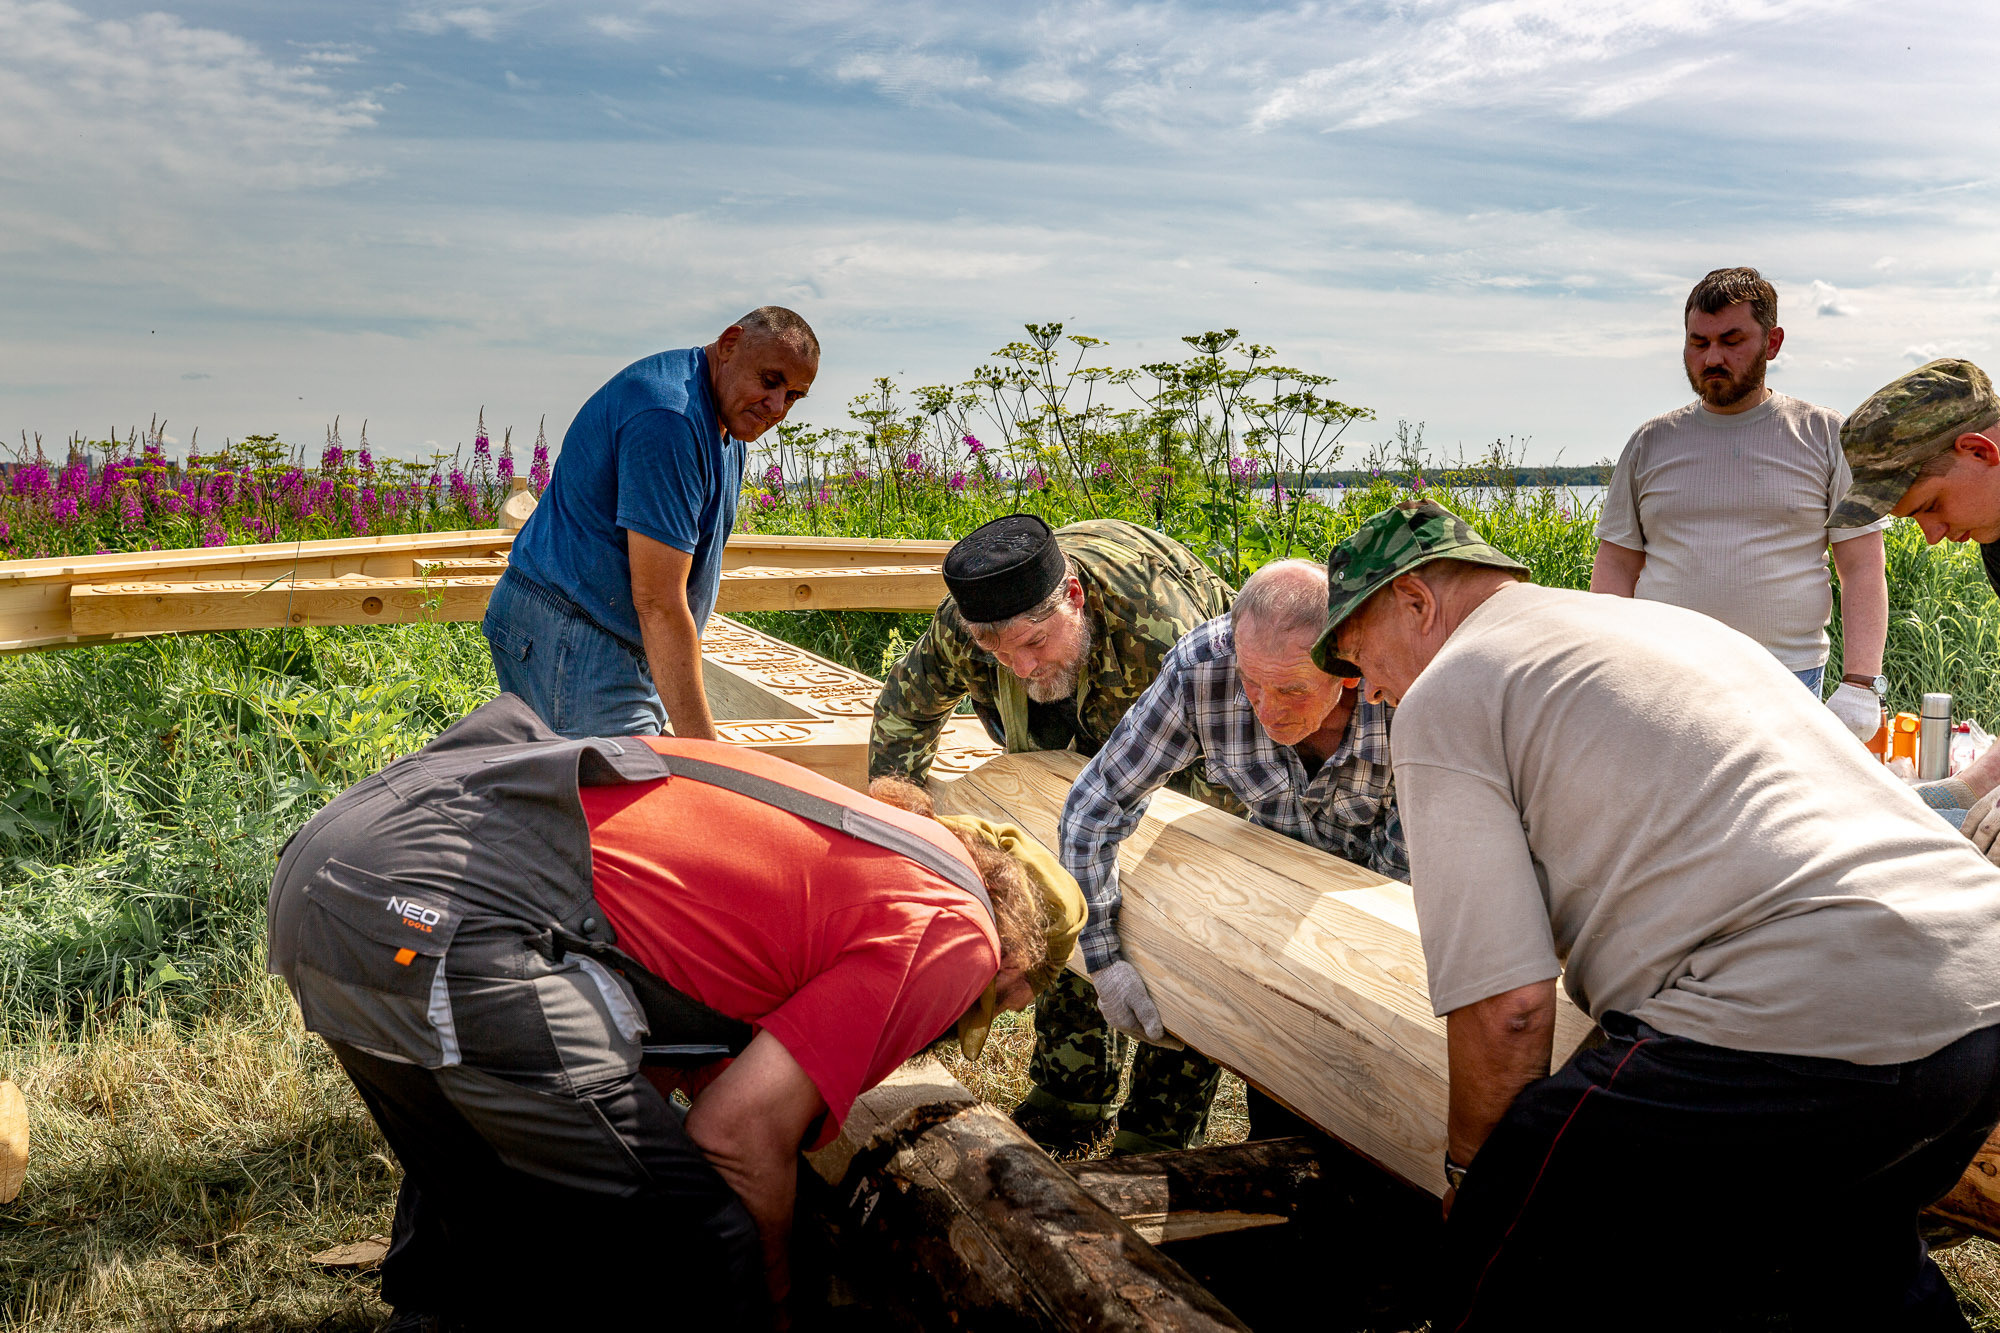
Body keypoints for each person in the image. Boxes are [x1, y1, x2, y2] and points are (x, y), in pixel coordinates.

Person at [1321, 498, 2000, 1330]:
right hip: (1981, 995)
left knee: (1508, 1251)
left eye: (1360, 658)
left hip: (1803, 1021)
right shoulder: (1665, 629)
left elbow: (1509, 1009)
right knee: (1845, 1263)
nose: (1371, 692)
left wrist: (1476, 1184)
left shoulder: (1451, 687)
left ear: (1415, 601)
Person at [268, 694, 1078, 1330]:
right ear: (1014, 962)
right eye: (992, 1008)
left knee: (496, 1178)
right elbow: (736, 1132)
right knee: (702, 1235)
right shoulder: (958, 931)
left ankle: (435, 1314)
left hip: (337, 872)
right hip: (445, 923)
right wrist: (776, 1293)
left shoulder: (848, 835)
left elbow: (660, 1038)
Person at [871, 513, 1233, 1155]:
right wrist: (906, 837)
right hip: (1059, 752)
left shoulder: (1160, 632)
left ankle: (1160, 1125)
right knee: (1048, 887)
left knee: (1172, 917)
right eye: (998, 653)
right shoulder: (969, 626)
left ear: (1073, 597)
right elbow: (904, 712)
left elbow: (1222, 785)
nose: (1021, 667)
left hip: (1192, 760)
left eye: (1035, 642)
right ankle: (1071, 1091)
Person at [1059, 559, 1405, 1134]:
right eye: (1252, 683)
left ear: (1347, 671)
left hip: (1384, 926)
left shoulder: (1403, 694)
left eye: (1292, 689)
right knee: (1278, 1112)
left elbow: (1411, 885)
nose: (1266, 710)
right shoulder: (1204, 668)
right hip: (1273, 903)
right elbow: (1096, 804)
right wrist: (1103, 959)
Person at [485, 307, 819, 740]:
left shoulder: (729, 424)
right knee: (625, 780)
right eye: (770, 380)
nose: (776, 407)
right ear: (730, 344)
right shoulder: (669, 417)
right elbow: (658, 601)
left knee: (572, 777)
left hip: (595, 627)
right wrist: (706, 754)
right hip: (574, 632)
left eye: (792, 396)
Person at [1591, 266, 1889, 739]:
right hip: (1663, 676)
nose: (1713, 357)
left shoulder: (1824, 434)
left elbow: (1862, 566)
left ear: (1772, 342)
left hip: (1786, 679)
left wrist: (1861, 683)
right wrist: (1605, 665)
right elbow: (1616, 565)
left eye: (1731, 341)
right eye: (1699, 342)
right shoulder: (1650, 442)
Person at [1831, 356, 2000, 847]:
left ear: (1978, 451)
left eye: (1930, 506)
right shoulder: (1994, 530)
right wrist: (1967, 788)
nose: (1932, 535)